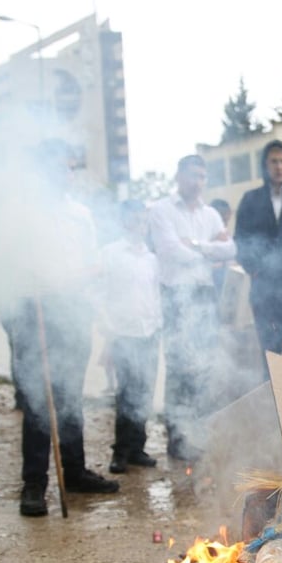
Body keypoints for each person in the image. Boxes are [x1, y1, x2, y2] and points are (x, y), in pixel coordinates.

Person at [7, 140, 120, 517]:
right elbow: (8, 261)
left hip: (72, 310)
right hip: (35, 311)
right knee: (40, 401)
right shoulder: (23, 213)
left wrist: (81, 284)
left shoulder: (80, 214)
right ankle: (34, 483)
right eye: (57, 167)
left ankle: (74, 470)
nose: (64, 174)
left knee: (70, 397)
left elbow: (93, 263)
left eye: (69, 168)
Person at [147, 154, 236, 461]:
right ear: (178, 176)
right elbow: (170, 250)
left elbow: (231, 248)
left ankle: (197, 433)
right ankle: (176, 437)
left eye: (202, 176)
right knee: (178, 369)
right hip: (175, 296)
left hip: (204, 295)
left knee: (203, 367)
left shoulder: (210, 213)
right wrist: (210, 251)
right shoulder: (161, 210)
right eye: (191, 175)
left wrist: (196, 246)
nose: (197, 182)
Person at [235, 140, 282, 373]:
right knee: (270, 352)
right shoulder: (250, 199)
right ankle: (273, 402)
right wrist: (255, 270)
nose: (280, 167)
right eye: (274, 161)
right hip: (264, 290)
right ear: (264, 165)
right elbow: (240, 240)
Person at [98, 200, 162, 475]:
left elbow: (155, 294)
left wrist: (157, 323)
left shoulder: (151, 258)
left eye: (144, 220)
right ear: (124, 221)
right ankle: (121, 451)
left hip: (149, 332)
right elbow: (99, 293)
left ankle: (137, 447)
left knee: (145, 392)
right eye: (135, 219)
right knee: (126, 393)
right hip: (122, 333)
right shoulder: (110, 253)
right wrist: (108, 327)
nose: (141, 225)